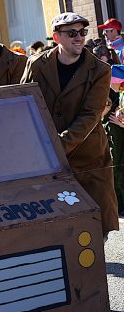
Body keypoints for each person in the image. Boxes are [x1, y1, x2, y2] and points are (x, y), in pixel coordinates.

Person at [21, 12, 119, 237]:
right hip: (45, 161)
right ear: (56, 38)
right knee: (54, 230)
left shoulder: (100, 70)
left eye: (82, 32)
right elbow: (24, 107)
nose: (79, 37)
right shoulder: (36, 64)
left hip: (88, 157)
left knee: (93, 230)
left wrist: (55, 148)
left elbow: (89, 116)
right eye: (72, 33)